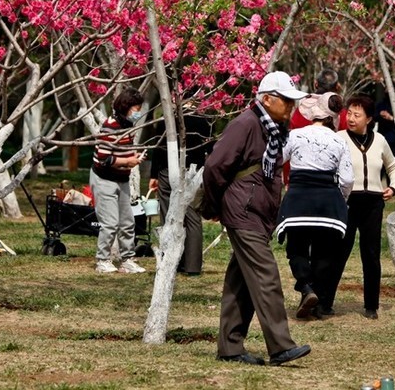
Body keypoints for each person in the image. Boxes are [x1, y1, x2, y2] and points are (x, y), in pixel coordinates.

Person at [203, 70, 311, 366]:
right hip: (243, 211)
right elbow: (214, 166)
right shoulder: (245, 124)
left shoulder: (273, 129)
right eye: (286, 100)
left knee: (240, 283)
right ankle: (280, 346)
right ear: (267, 99)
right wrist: (213, 207)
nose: (291, 106)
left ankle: (230, 348)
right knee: (266, 277)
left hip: (257, 213)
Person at [320, 92, 395, 319]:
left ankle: (371, 305)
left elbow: (393, 166)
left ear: (369, 119)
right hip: (346, 202)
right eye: (349, 113)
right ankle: (325, 303)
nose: (351, 118)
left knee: (371, 255)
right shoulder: (339, 138)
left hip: (373, 203)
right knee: (339, 253)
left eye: (357, 115)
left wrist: (393, 187)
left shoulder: (380, 140)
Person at [276, 92, 353, 320]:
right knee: (324, 254)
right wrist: (340, 200)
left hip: (298, 200)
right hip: (328, 203)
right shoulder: (340, 141)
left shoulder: (295, 135)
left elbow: (277, 161)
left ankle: (305, 286)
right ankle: (316, 299)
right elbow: (347, 179)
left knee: (296, 249)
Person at [148, 112, 213, 275]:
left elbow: (159, 147)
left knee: (168, 216)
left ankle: (169, 261)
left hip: (168, 170)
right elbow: (211, 147)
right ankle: (193, 266)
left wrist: (153, 175)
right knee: (192, 217)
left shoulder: (168, 117)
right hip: (192, 170)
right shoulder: (204, 120)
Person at [91, 89, 147, 274]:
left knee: (127, 221)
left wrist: (134, 157)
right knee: (110, 223)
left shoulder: (128, 126)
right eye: (136, 108)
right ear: (126, 107)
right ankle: (102, 260)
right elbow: (103, 159)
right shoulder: (110, 126)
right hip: (104, 179)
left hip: (122, 179)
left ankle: (127, 259)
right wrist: (127, 161)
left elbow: (125, 150)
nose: (138, 112)